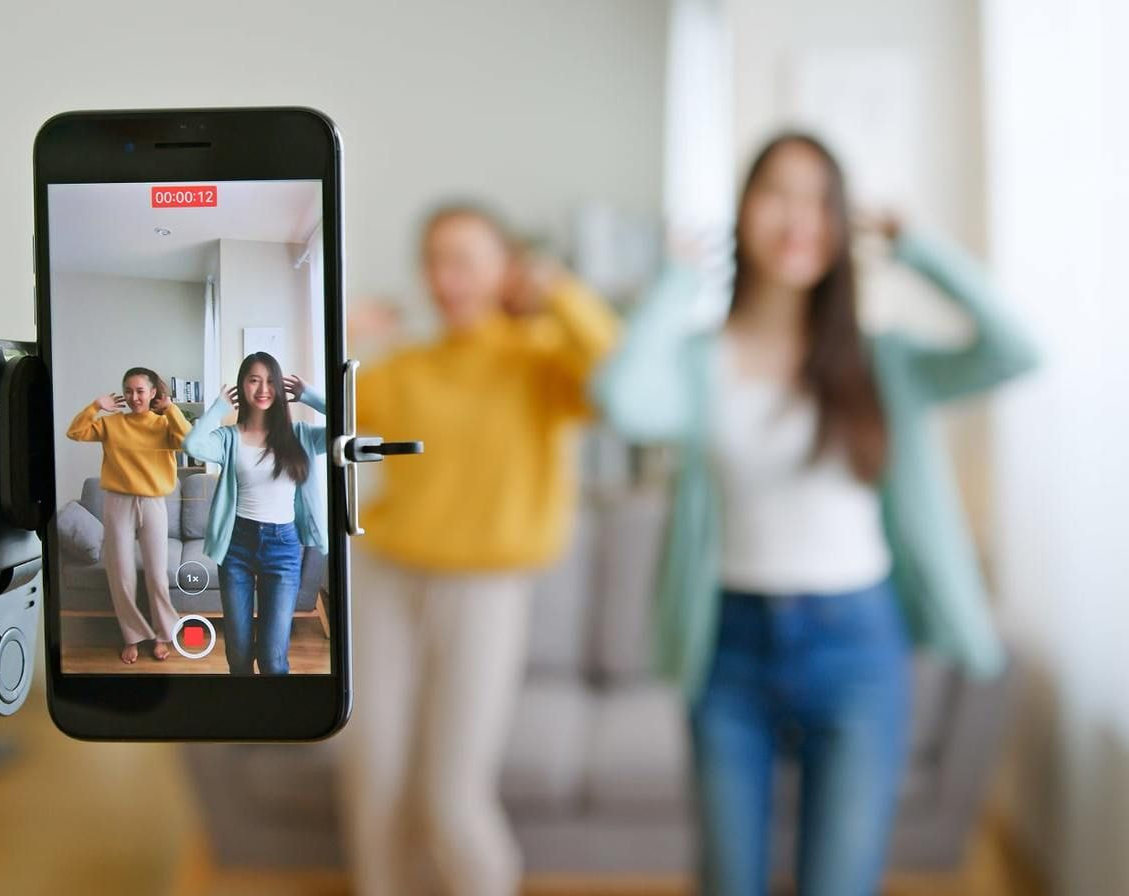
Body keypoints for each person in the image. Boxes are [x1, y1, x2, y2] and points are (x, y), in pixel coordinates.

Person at [594, 133, 1039, 896]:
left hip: (858, 644)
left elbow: (1015, 350)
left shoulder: (880, 361)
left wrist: (919, 249)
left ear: (841, 222)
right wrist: (673, 282)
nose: (797, 215)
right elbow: (621, 398)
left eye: (818, 197)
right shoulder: (703, 360)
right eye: (776, 192)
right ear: (743, 211)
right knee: (729, 881)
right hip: (729, 644)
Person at [339, 204, 619, 896]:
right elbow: (295, 412)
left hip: (487, 592)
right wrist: (335, 332)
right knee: (373, 775)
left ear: (505, 268)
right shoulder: (405, 368)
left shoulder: (543, 360)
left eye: (463, 258)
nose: (445, 276)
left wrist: (554, 289)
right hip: (386, 580)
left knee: (452, 795)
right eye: (434, 259)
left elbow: (622, 375)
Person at [183, 352, 327, 675]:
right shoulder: (228, 438)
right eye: (253, 380)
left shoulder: (300, 435)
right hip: (237, 546)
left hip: (284, 547)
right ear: (242, 386)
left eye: (270, 381)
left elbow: (347, 423)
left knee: (273, 659)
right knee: (238, 653)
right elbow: (191, 444)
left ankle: (275, 721)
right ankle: (244, 717)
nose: (263, 388)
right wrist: (218, 409)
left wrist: (311, 395)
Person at [67, 367, 190, 664]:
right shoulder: (112, 424)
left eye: (140, 391)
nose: (134, 397)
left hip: (154, 503)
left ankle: (163, 634)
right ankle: (132, 636)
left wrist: (171, 408)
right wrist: (96, 406)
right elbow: (75, 432)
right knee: (120, 574)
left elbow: (189, 441)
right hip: (118, 502)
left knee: (157, 573)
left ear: (152, 393)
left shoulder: (164, 425)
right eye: (129, 391)